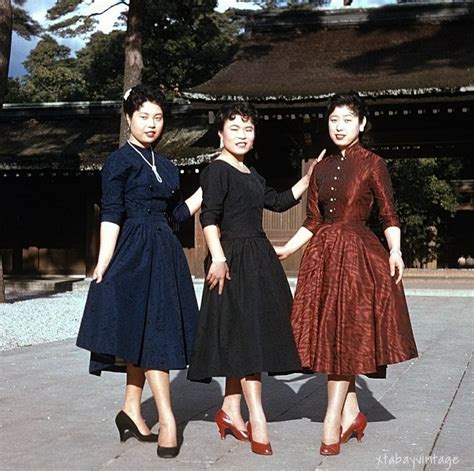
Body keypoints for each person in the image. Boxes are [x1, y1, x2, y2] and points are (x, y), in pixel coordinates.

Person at [275, 92, 418, 456]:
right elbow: (312, 221)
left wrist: (396, 250)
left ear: (362, 124)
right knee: (332, 336)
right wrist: (288, 249)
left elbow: (388, 214)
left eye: (347, 120)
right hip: (322, 257)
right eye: (334, 119)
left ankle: (331, 420)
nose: (339, 126)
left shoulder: (374, 163)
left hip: (358, 259)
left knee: (346, 336)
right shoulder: (319, 169)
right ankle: (352, 412)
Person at [187, 102, 323, 456]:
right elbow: (209, 218)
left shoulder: (252, 173)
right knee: (246, 338)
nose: (243, 135)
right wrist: (217, 257)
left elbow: (277, 203)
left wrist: (306, 181)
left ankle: (231, 410)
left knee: (246, 335)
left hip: (259, 258)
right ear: (220, 133)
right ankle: (257, 417)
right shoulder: (215, 171)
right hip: (231, 258)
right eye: (235, 128)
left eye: (248, 129)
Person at [76, 85, 202, 459]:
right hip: (133, 252)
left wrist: (204, 191)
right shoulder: (119, 161)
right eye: (144, 116)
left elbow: (176, 216)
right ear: (129, 118)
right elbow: (113, 213)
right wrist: (103, 261)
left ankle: (132, 409)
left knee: (146, 331)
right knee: (152, 334)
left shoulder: (166, 166)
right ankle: (168, 418)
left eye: (158, 117)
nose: (151, 124)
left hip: (165, 253)